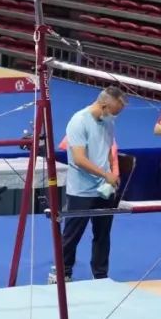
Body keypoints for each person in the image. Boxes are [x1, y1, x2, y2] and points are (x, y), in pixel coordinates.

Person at [52, 86, 127, 283]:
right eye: (114, 112)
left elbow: (109, 151)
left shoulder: (109, 123)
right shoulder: (78, 121)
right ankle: (62, 272)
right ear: (104, 106)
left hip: (104, 189)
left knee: (103, 234)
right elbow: (79, 159)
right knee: (72, 234)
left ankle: (100, 275)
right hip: (81, 190)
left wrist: (112, 173)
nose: (115, 117)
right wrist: (105, 174)